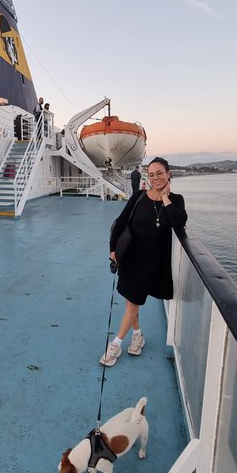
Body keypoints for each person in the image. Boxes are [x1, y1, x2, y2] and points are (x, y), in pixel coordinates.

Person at [100, 157, 187, 366]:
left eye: (159, 173)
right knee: (131, 302)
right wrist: (113, 248)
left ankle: (115, 346)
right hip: (131, 258)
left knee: (133, 304)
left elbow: (179, 221)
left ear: (168, 174)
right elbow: (120, 223)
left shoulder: (176, 200)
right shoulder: (139, 196)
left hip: (152, 264)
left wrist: (165, 199)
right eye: (151, 174)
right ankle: (138, 336)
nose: (155, 178)